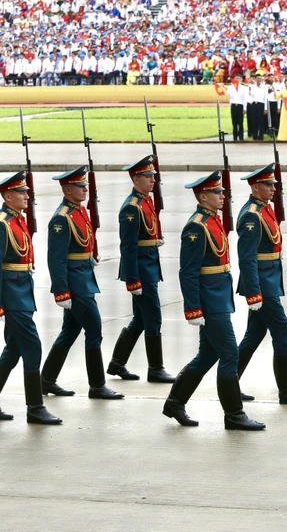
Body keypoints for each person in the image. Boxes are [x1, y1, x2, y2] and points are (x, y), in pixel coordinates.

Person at [162, 171, 265, 430]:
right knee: (230, 353)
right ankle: (234, 415)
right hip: (209, 301)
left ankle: (175, 403)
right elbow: (187, 271)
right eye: (217, 192)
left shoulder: (212, 220)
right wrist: (193, 308)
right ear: (203, 196)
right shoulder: (196, 226)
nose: (223, 196)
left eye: (222, 191)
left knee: (208, 355)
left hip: (219, 296)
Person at [40, 168, 123, 400]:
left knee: (70, 331)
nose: (85, 188)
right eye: (79, 186)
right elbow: (55, 259)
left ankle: (46, 380)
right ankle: (97, 386)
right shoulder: (61, 218)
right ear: (67, 190)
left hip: (84, 278)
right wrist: (61, 292)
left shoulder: (79, 212)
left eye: (85, 185)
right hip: (74, 284)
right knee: (94, 329)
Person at [234, 165, 287, 405]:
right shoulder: (251, 215)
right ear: (255, 187)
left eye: (273, 185)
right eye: (268, 185)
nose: (273, 188)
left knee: (254, 335)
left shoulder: (264, 210)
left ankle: (228, 383)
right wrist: (254, 293)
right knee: (282, 331)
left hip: (268, 280)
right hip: (261, 284)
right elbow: (247, 258)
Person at [106, 156, 175, 384]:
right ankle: (156, 369)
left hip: (149, 266)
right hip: (140, 271)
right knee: (153, 317)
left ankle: (117, 363)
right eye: (147, 176)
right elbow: (127, 246)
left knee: (141, 318)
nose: (152, 180)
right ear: (135, 179)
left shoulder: (146, 201)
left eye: (153, 176)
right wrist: (133, 280)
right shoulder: (131, 207)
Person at [0, 171, 62, 424]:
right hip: (12, 297)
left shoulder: (17, 220)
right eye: (21, 192)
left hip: (22, 292)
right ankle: (35, 407)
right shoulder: (3, 223)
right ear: (7, 195)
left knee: (13, 350)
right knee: (32, 346)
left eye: (26, 191)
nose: (27, 195)